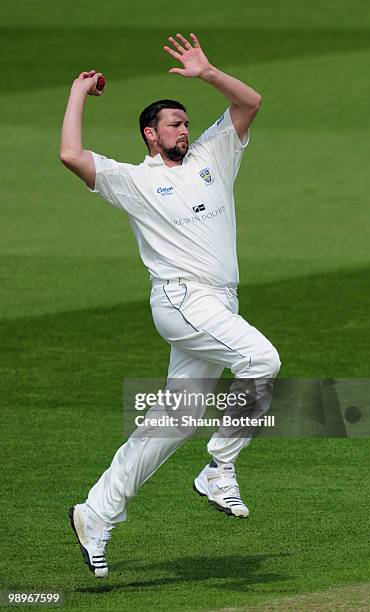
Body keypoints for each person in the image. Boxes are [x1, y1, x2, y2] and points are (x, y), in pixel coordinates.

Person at [60, 33, 281, 578]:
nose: (184, 129)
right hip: (183, 300)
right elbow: (70, 154)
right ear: (150, 135)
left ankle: (96, 513)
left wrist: (206, 71)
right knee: (262, 360)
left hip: (219, 302)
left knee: (173, 421)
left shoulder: (213, 155)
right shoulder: (134, 180)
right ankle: (219, 468)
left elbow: (248, 102)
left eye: (186, 122)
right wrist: (77, 93)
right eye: (173, 124)